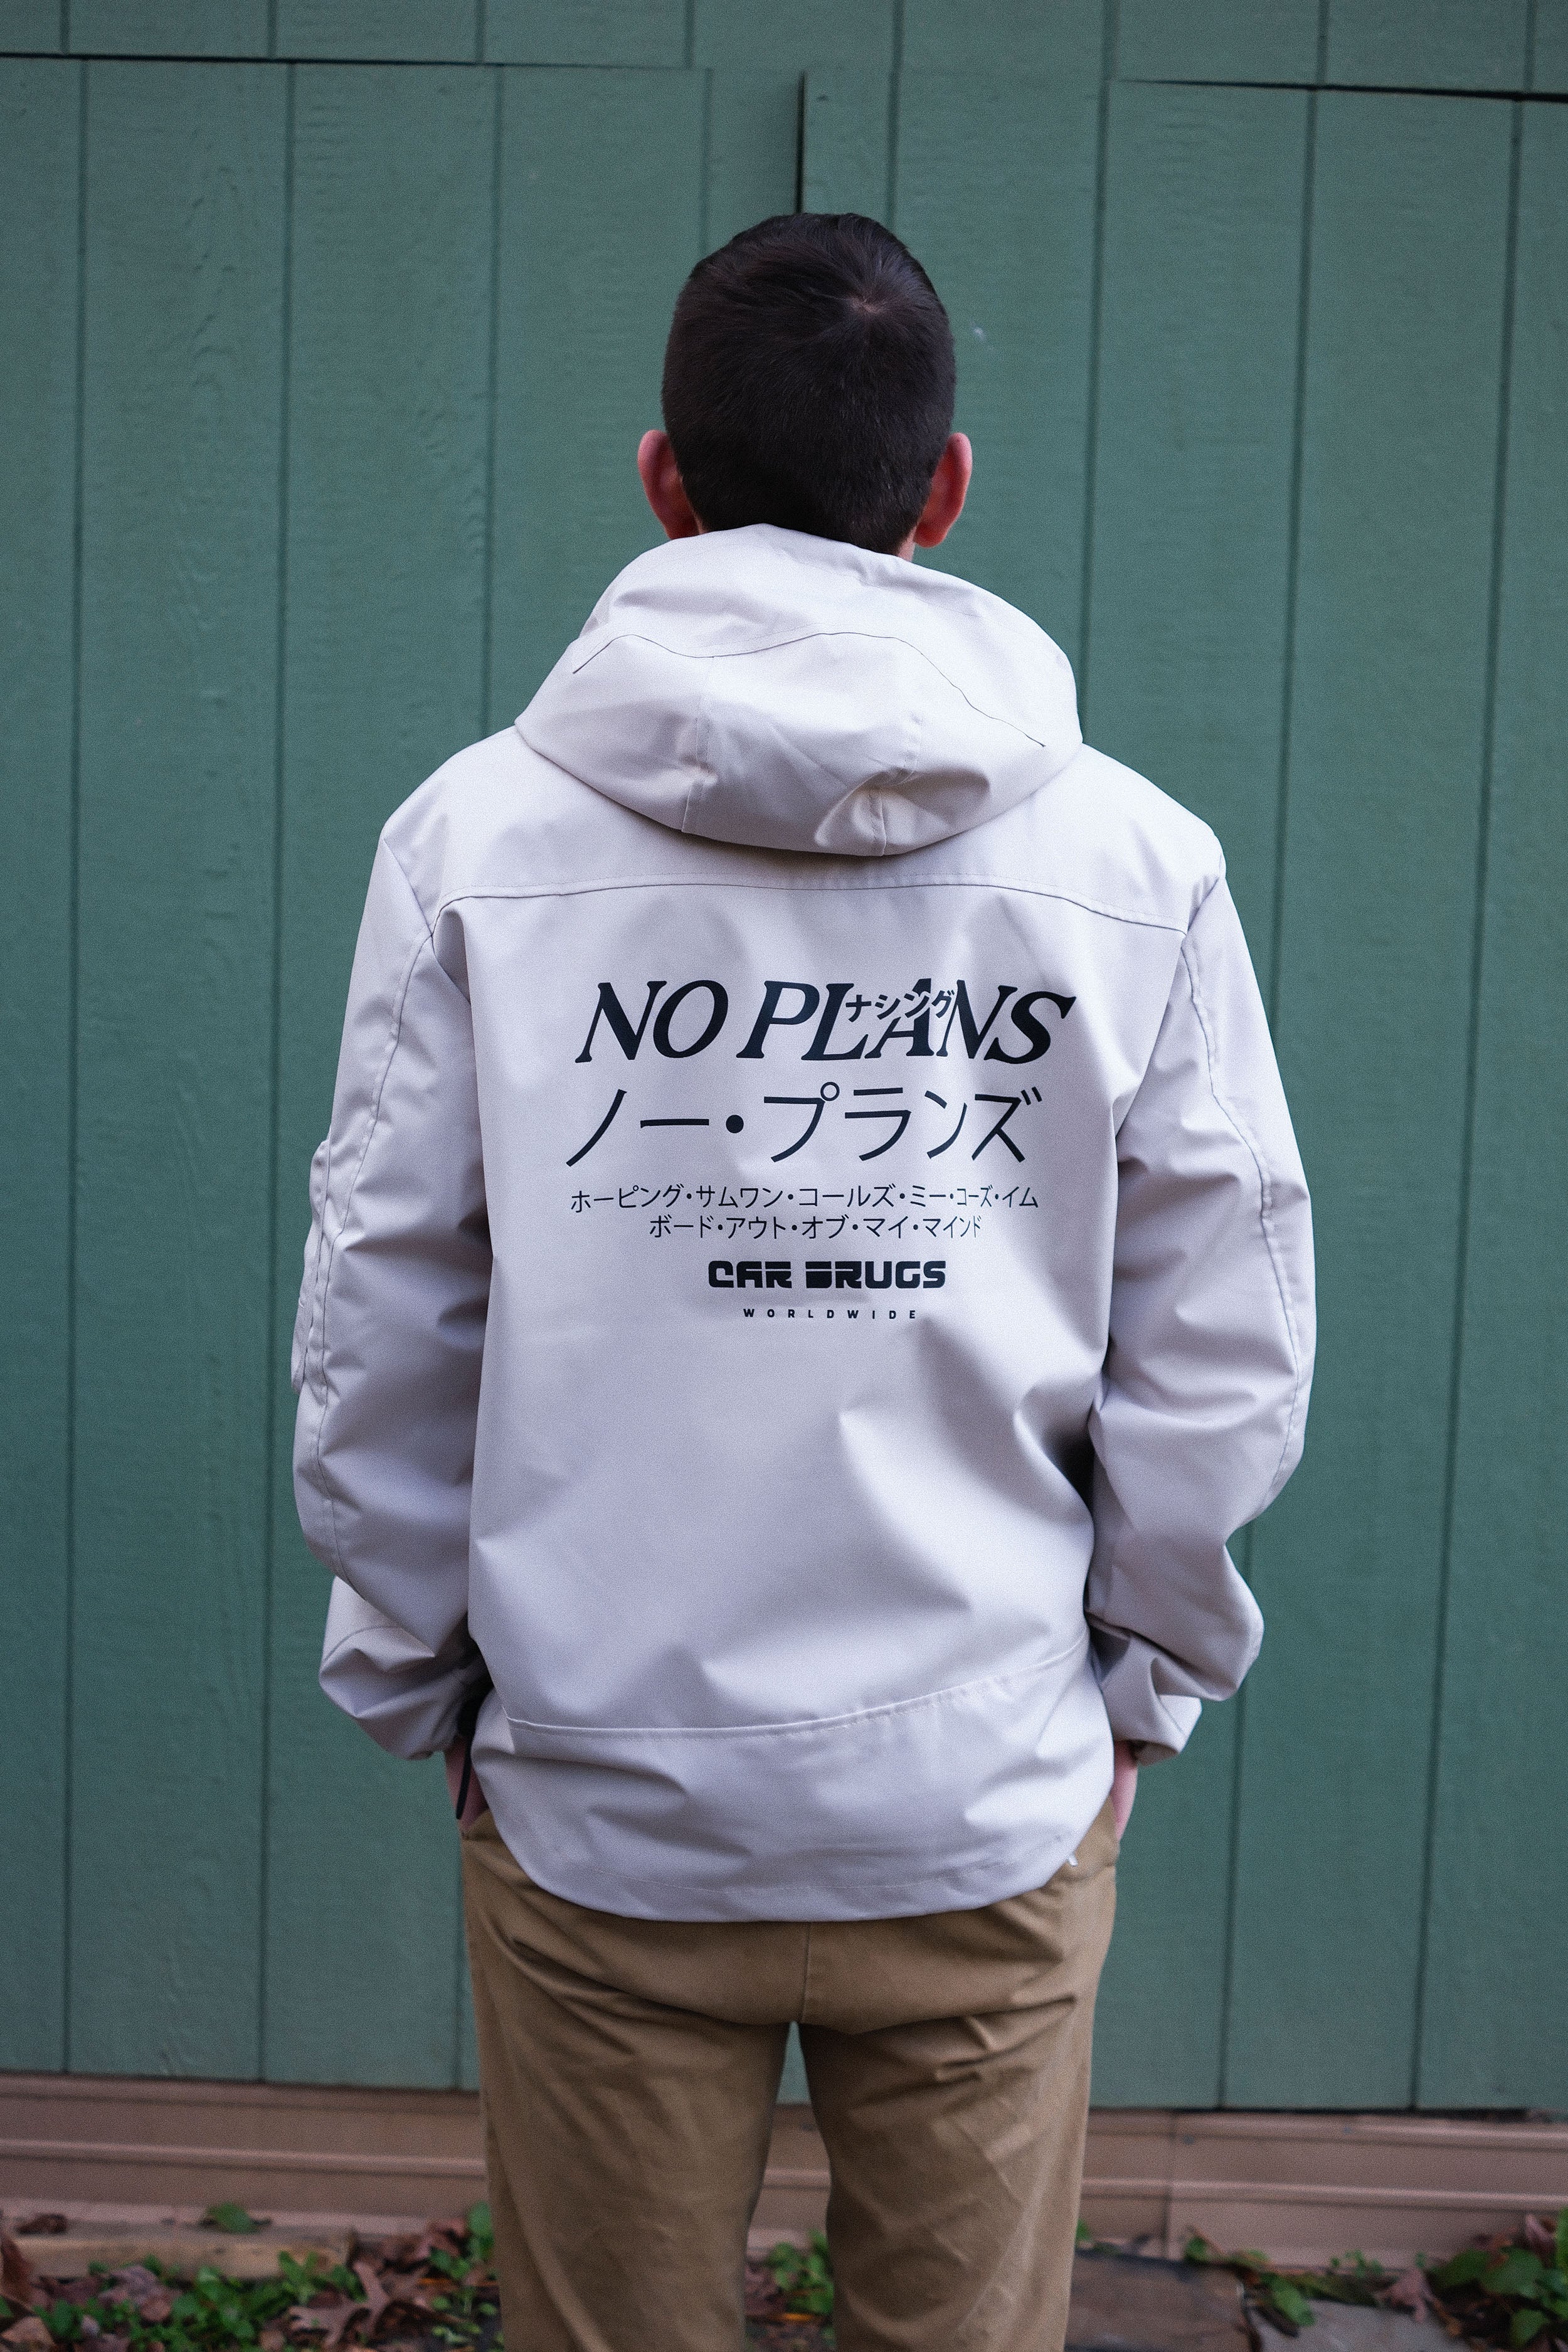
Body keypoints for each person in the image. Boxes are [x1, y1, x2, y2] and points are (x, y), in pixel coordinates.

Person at [293, 212, 1314, 2352]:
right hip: (984, 1792)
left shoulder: (474, 841)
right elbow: (1219, 1331)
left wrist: (421, 1675)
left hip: (601, 1797)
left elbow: (389, 1300)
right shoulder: (1133, 862)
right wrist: (1143, 1677)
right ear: (943, 490)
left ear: (661, 480)